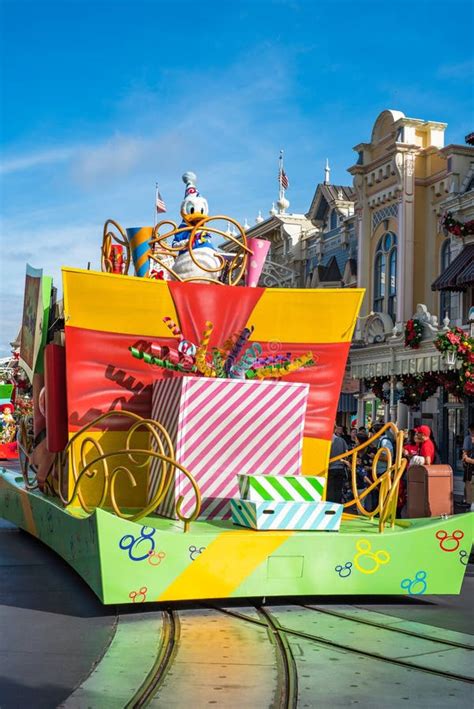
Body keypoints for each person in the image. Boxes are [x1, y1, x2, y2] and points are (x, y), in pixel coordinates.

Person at [327, 425, 349, 503]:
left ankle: (330, 506)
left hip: (329, 468)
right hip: (340, 468)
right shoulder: (341, 440)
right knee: (338, 489)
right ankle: (337, 505)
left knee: (330, 489)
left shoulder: (326, 441)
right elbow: (346, 454)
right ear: (335, 429)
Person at [462, 422, 474, 510]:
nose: (471, 437)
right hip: (470, 473)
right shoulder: (469, 442)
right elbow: (465, 451)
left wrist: (467, 459)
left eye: (472, 433)